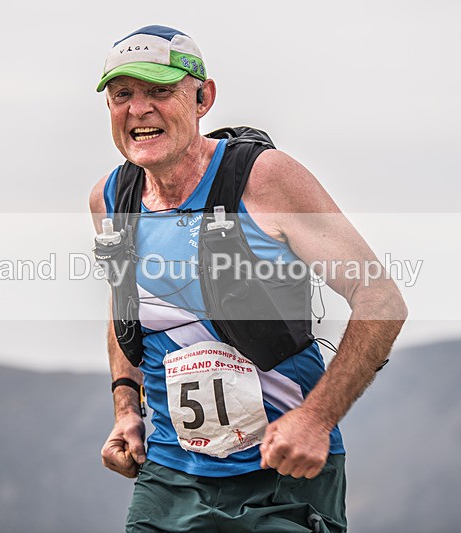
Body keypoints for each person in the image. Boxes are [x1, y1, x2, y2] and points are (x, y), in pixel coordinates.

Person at [89, 25, 407, 532]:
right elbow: (125, 305)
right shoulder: (111, 199)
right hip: (169, 477)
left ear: (203, 98)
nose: (139, 109)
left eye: (159, 91)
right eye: (122, 94)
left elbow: (381, 299)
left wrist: (316, 419)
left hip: (284, 474)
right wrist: (126, 408)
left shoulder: (265, 179)